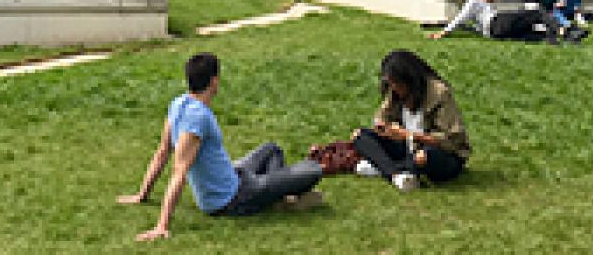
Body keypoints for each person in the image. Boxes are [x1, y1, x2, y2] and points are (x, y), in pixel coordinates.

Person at [119, 52, 323, 242]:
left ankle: (277, 198)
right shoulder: (198, 118)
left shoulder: (178, 104)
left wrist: (142, 195)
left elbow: (162, 152)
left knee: (272, 149)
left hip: (234, 176)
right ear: (214, 81)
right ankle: (276, 198)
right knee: (314, 168)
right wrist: (161, 225)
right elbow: (179, 171)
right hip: (231, 199)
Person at [351, 50, 470, 191]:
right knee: (359, 135)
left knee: (423, 157)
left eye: (397, 84)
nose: (394, 88)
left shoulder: (439, 93)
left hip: (439, 152)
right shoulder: (394, 91)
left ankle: (384, 166)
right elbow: (382, 117)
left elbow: (451, 139)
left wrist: (408, 135)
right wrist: (383, 127)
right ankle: (396, 175)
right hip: (407, 147)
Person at [430, 0, 547, 42]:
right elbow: (460, 18)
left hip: (496, 32)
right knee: (537, 13)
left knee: (529, 33)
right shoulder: (474, 1)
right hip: (497, 22)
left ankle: (553, 35)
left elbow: (473, 25)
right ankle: (560, 29)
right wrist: (443, 33)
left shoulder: (485, 5)